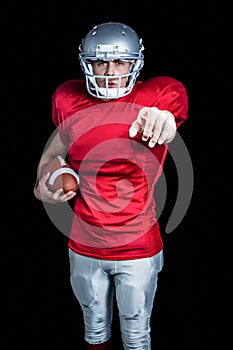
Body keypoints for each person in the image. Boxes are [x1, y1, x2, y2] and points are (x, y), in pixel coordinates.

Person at [33, 22, 188, 350]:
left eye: (120, 62)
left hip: (137, 246)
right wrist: (43, 182)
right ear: (86, 63)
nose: (109, 71)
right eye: (100, 62)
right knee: (93, 329)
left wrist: (165, 121)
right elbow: (54, 153)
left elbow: (168, 120)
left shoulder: (156, 97)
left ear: (136, 64)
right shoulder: (67, 98)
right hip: (83, 244)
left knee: (136, 334)